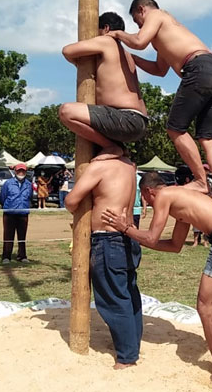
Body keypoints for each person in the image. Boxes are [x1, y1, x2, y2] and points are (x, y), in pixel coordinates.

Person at [102, 172, 212, 381]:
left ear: (149, 192)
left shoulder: (164, 195)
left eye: (147, 201)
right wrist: (136, 237)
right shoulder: (182, 203)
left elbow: (153, 237)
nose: (151, 206)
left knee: (205, 306)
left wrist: (125, 229)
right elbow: (175, 246)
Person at [108, 0, 212, 205]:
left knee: (175, 129)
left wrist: (118, 34)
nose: (138, 26)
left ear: (141, 9)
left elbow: (138, 41)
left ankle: (202, 181)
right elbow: (160, 70)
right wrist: (130, 59)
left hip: (198, 68)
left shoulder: (157, 14)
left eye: (138, 21)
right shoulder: (165, 36)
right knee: (207, 137)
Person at [65, 156, 142, 370]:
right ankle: (132, 345)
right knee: (128, 293)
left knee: (114, 298)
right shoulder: (129, 165)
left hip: (107, 238)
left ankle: (127, 356)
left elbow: (71, 201)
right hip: (127, 235)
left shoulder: (99, 166)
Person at [60, 12, 148, 160]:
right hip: (136, 120)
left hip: (126, 118)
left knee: (66, 111)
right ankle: (115, 147)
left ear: (106, 29)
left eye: (97, 32)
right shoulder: (125, 53)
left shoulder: (107, 41)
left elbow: (67, 51)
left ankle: (111, 146)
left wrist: (78, 65)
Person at [0, 163, 33, 263]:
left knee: (22, 236)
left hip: (23, 213)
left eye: (23, 170)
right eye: (19, 170)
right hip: (9, 213)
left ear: (26, 172)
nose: (21, 172)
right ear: (15, 171)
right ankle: (6, 256)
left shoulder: (29, 184)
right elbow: (2, 197)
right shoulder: (8, 183)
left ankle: (22, 256)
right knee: (8, 236)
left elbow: (30, 197)